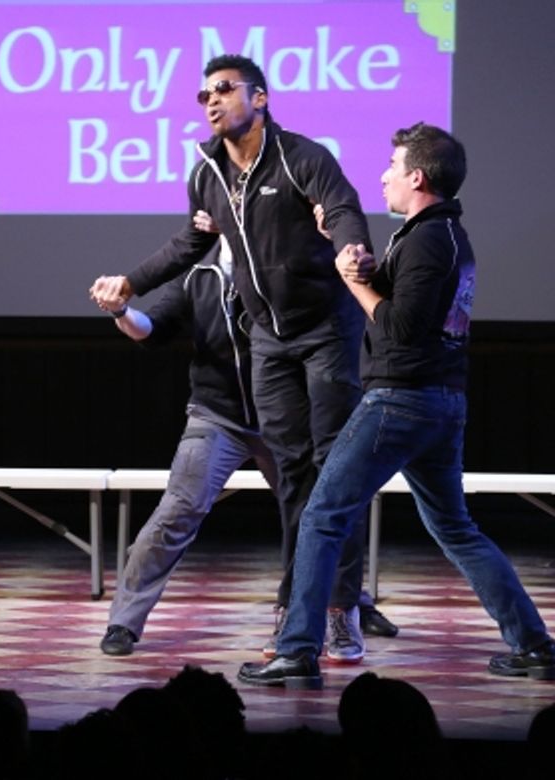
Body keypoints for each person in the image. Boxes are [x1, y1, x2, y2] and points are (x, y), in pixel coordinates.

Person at [237, 123, 555, 688]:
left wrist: (355, 285)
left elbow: (399, 327)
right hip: (440, 403)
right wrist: (350, 258)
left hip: (401, 400)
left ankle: (297, 650)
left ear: (418, 177)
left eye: (392, 167)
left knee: (322, 515)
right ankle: (534, 644)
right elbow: (400, 295)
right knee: (455, 528)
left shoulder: (430, 241)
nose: (383, 177)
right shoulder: (437, 235)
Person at [90, 53, 382, 661]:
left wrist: (352, 248)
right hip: (270, 343)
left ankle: (340, 608)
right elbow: (189, 243)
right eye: (204, 95)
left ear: (260, 97)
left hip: (325, 331)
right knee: (297, 480)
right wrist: (130, 284)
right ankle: (296, 608)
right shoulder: (208, 173)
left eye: (223, 89)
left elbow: (343, 208)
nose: (211, 101)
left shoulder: (302, 157)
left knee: (334, 474)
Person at [93, 239, 281, 656]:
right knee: (177, 510)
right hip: (217, 415)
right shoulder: (198, 272)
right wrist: (121, 311)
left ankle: (350, 604)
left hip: (283, 418)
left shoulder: (284, 257)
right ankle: (123, 622)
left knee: (315, 514)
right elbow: (153, 328)